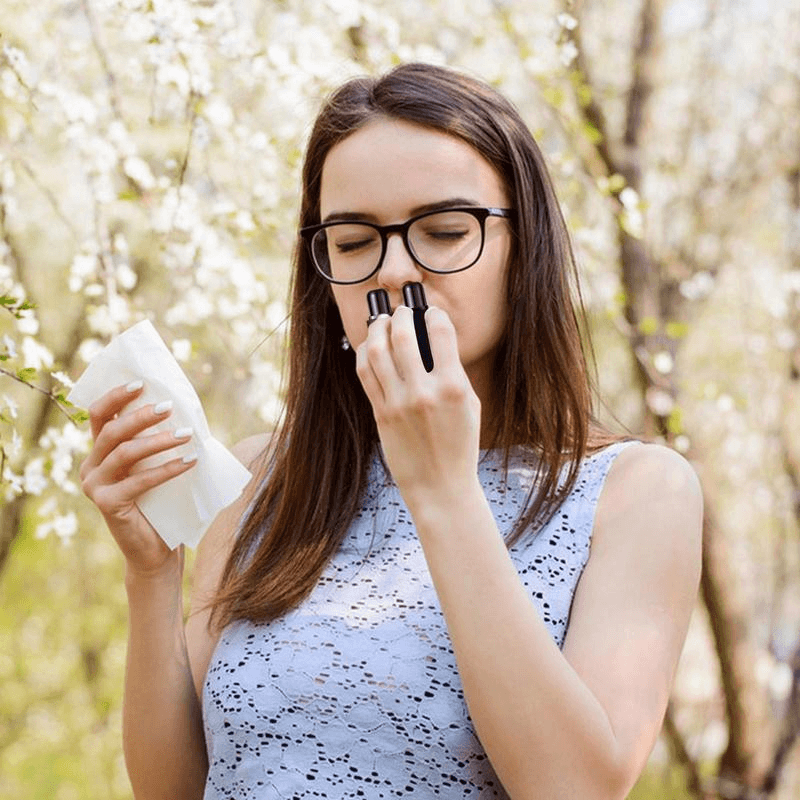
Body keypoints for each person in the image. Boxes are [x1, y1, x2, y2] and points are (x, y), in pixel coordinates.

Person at [79, 62, 703, 800]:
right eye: (352, 243)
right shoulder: (262, 481)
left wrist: (443, 488)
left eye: (443, 231)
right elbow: (177, 790)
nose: (393, 268)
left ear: (524, 248)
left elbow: (575, 788)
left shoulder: (636, 493)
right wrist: (152, 577)